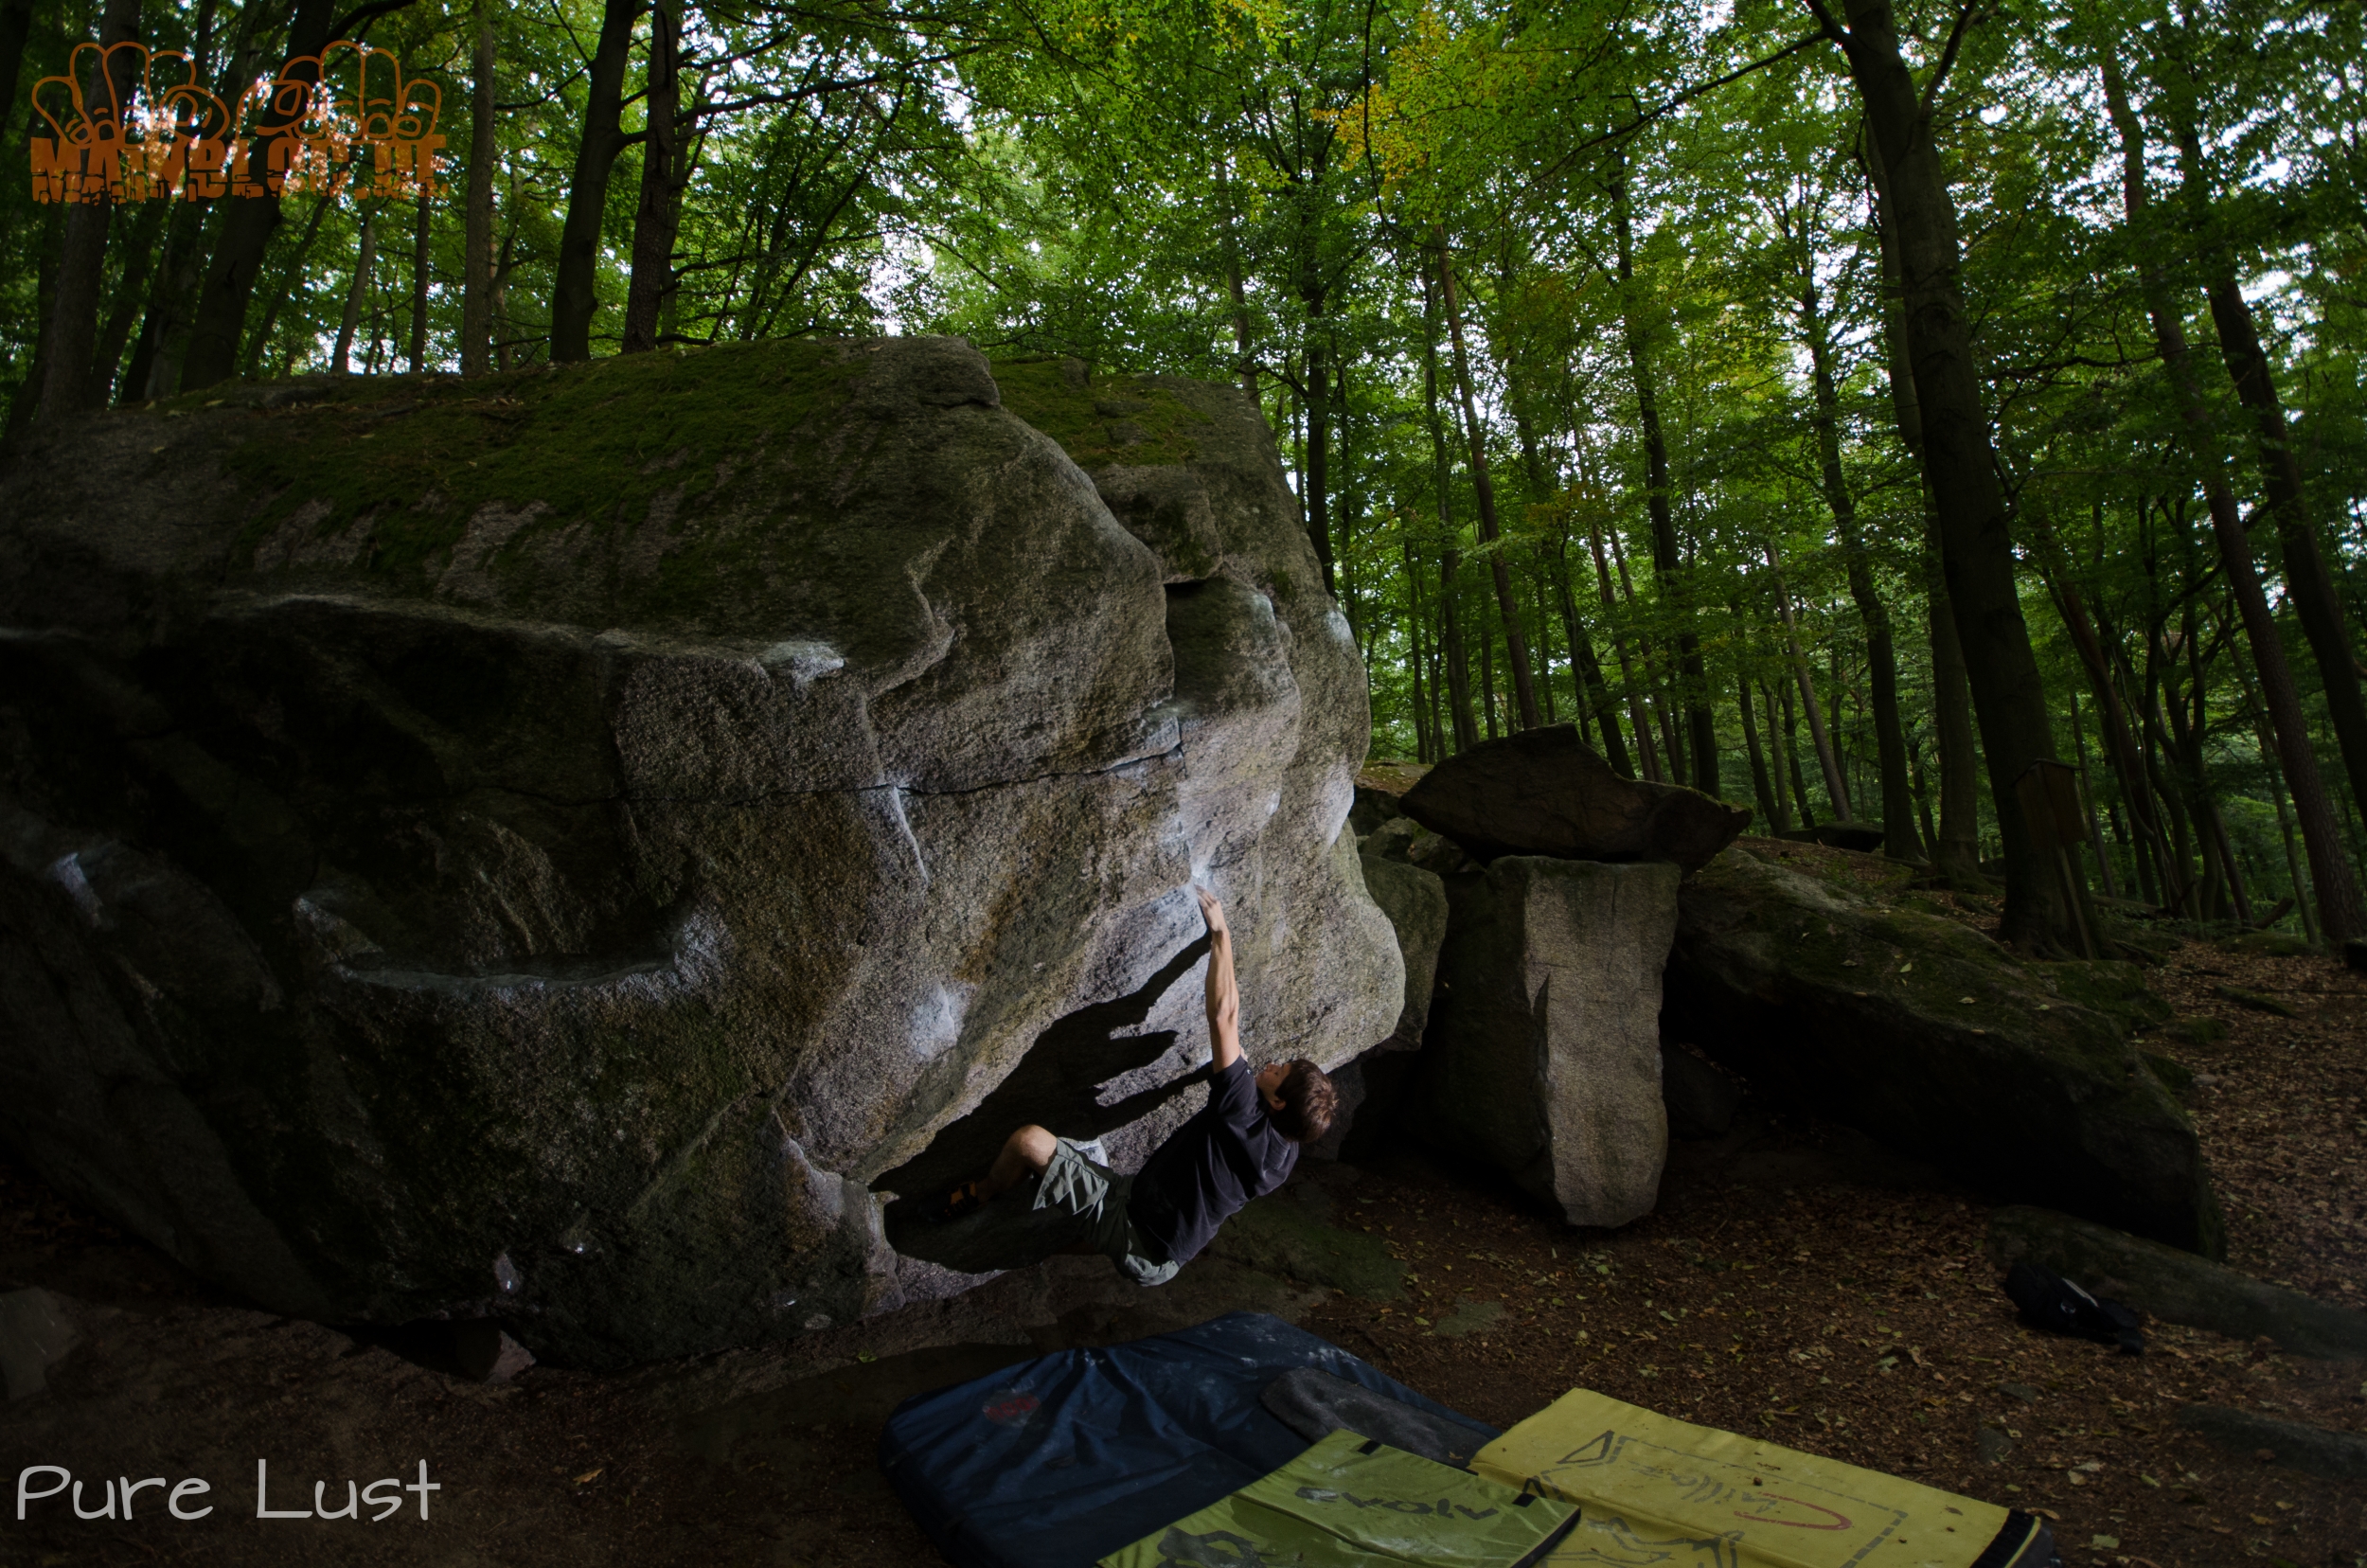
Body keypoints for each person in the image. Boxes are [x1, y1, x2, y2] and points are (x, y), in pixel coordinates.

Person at [928, 886, 1337, 1286]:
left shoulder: (1242, 1110)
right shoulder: (1284, 1156)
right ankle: (1063, 1229)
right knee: (1084, 1199)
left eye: (1279, 1071)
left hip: (1135, 1227)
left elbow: (1224, 1015)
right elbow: (1238, 1056)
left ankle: (985, 1192)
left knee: (1027, 1141)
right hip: (1163, 1247)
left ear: (1279, 1103)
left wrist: (1220, 934)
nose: (1270, 1064)